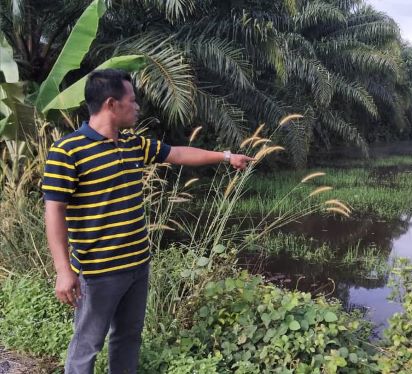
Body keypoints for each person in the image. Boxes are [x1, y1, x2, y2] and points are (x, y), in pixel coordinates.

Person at [42, 69, 254, 373]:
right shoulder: (67, 151)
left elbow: (178, 153)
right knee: (87, 345)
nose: (137, 106)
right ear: (112, 104)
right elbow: (54, 211)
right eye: (132, 100)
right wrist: (63, 271)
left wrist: (225, 156)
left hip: (137, 267)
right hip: (98, 273)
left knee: (128, 338)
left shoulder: (133, 144)